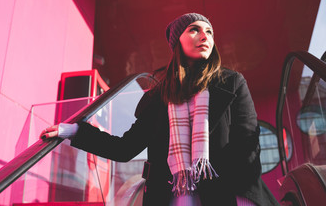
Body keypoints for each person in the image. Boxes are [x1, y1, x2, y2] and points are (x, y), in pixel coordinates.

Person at [40, 13, 280, 206]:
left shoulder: (231, 82)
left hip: (228, 193)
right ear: (177, 41)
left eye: (209, 31)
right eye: (194, 29)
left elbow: (248, 141)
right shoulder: (159, 96)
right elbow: (125, 148)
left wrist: (226, 189)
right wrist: (72, 131)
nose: (204, 36)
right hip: (175, 195)